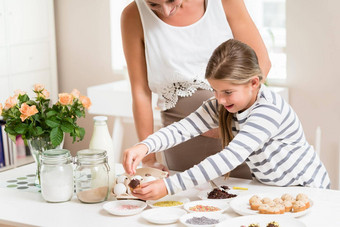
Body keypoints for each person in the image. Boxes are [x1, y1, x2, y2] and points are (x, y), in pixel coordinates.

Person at [123, 39, 331, 200]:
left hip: (308, 188)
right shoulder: (224, 104)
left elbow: (229, 158)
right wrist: (145, 146)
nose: (220, 99)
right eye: (215, 90)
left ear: (254, 83)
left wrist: (169, 187)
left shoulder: (268, 110)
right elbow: (183, 129)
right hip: (272, 188)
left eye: (228, 92)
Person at [121, 0, 271, 177]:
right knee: (185, 197)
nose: (167, 11)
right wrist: (149, 159)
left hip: (236, 132)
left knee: (243, 197)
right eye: (154, 4)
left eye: (171, 0)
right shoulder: (133, 15)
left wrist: (228, 123)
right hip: (181, 137)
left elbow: (261, 63)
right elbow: (140, 92)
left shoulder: (225, 2)